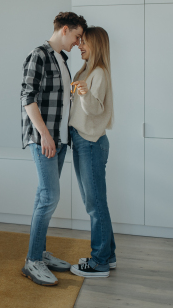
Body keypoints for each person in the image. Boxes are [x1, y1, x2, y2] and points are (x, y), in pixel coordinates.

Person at [20, 11, 87, 286]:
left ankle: (40, 254)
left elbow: (58, 100)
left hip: (59, 140)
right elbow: (27, 97)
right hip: (44, 140)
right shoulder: (39, 54)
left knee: (42, 197)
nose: (78, 42)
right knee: (50, 196)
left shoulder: (62, 59)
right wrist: (44, 135)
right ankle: (32, 261)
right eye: (77, 36)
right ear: (64, 30)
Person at [68, 26, 115, 278]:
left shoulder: (98, 73)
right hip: (83, 140)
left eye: (84, 42)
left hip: (90, 142)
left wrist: (83, 92)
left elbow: (95, 110)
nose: (79, 45)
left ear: (96, 45)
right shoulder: (85, 70)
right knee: (97, 202)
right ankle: (109, 255)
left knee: (94, 204)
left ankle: (99, 263)